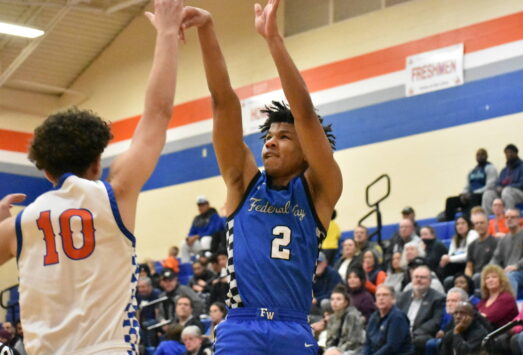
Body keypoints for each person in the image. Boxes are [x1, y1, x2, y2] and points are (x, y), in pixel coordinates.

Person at [0, 1, 183, 353]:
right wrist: (167, 33)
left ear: (45, 169)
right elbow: (158, 113)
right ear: (97, 163)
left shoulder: (20, 226)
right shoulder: (114, 196)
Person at [185, 0, 342, 353]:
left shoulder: (320, 189)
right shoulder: (243, 183)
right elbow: (223, 103)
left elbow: (303, 113)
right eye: (268, 136)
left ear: (307, 151)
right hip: (242, 325)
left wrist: (273, 40)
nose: (270, 141)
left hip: (294, 326)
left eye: (284, 137)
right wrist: (207, 29)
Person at [396, 265, 446, 354]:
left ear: (430, 281)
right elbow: (395, 316)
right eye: (416, 277)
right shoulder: (402, 297)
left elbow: (435, 321)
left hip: (420, 335)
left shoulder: (438, 298)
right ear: (412, 279)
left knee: (418, 342)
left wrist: (413, 333)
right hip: (401, 333)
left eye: (423, 277)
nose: (418, 280)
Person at [491, 208, 523, 294]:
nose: (509, 219)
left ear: (520, 220)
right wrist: (490, 270)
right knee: (483, 277)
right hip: (507, 271)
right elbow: (496, 258)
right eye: (507, 217)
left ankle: (509, 305)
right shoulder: (503, 239)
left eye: (512, 217)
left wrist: (517, 266)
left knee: (510, 276)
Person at [443, 148, 498, 221]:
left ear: (486, 156)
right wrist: (464, 194)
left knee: (472, 197)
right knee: (450, 200)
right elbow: (467, 186)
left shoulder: (490, 168)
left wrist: (473, 193)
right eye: (478, 155)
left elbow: (490, 185)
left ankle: (469, 221)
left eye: (482, 154)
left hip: (482, 195)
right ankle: (448, 222)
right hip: (471, 195)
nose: (480, 156)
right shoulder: (472, 171)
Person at [482, 144, 523, 214]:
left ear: (516, 153)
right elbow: (498, 183)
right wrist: (498, 188)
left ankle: (508, 217)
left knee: (507, 191)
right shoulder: (504, 170)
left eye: (510, 152)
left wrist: (508, 187)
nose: (508, 154)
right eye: (506, 153)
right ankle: (489, 219)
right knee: (488, 194)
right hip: (506, 193)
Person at [364, 285, 414, 355]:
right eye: (378, 295)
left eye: (385, 295)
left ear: (393, 299)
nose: (381, 298)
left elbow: (391, 346)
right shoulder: (373, 316)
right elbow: (367, 343)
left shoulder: (397, 317)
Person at [323, 285, 365, 354]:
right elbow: (329, 341)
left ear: (346, 302)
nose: (334, 302)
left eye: (338, 299)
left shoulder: (352, 316)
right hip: (336, 350)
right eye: (332, 299)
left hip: (353, 351)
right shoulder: (332, 318)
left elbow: (353, 342)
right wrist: (330, 350)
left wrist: (337, 351)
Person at [181, 196, 225, 262]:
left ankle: (207, 261)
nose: (201, 207)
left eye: (203, 205)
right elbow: (191, 232)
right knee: (184, 244)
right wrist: (190, 238)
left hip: (211, 243)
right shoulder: (196, 219)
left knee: (205, 239)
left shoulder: (214, 216)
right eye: (199, 205)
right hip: (199, 244)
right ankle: (186, 264)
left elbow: (213, 231)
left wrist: (198, 236)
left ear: (208, 205)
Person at [477, 264, 518, 329]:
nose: (490, 280)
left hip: (502, 335)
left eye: (494, 277)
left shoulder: (506, 298)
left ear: (501, 280)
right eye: (487, 278)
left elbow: (490, 318)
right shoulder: (483, 301)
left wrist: (479, 316)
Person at [439, 216, 478, 284]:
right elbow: (450, 255)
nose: (460, 226)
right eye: (457, 224)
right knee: (443, 264)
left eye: (463, 223)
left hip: (469, 265)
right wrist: (446, 258)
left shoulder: (473, 233)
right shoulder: (455, 239)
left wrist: (450, 259)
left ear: (468, 224)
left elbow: (469, 255)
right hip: (457, 266)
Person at [465, 210, 498, 289]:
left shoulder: (496, 242)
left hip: (491, 275)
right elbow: (469, 267)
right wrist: (467, 278)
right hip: (476, 276)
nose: (479, 225)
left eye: (482, 223)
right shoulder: (471, 245)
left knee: (477, 277)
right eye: (477, 223)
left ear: (488, 224)